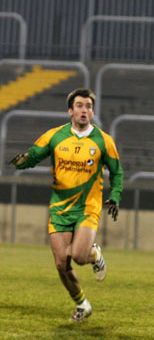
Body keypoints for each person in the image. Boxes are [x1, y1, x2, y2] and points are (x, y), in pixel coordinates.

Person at [8, 88, 123, 323]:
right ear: (70, 111)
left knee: (79, 256)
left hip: (88, 207)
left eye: (88, 106)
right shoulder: (55, 136)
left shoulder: (103, 140)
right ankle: (82, 305)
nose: (85, 110)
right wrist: (21, 162)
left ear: (92, 111)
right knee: (62, 263)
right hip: (59, 207)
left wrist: (116, 195)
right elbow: (33, 155)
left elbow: (117, 172)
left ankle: (94, 254)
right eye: (80, 105)